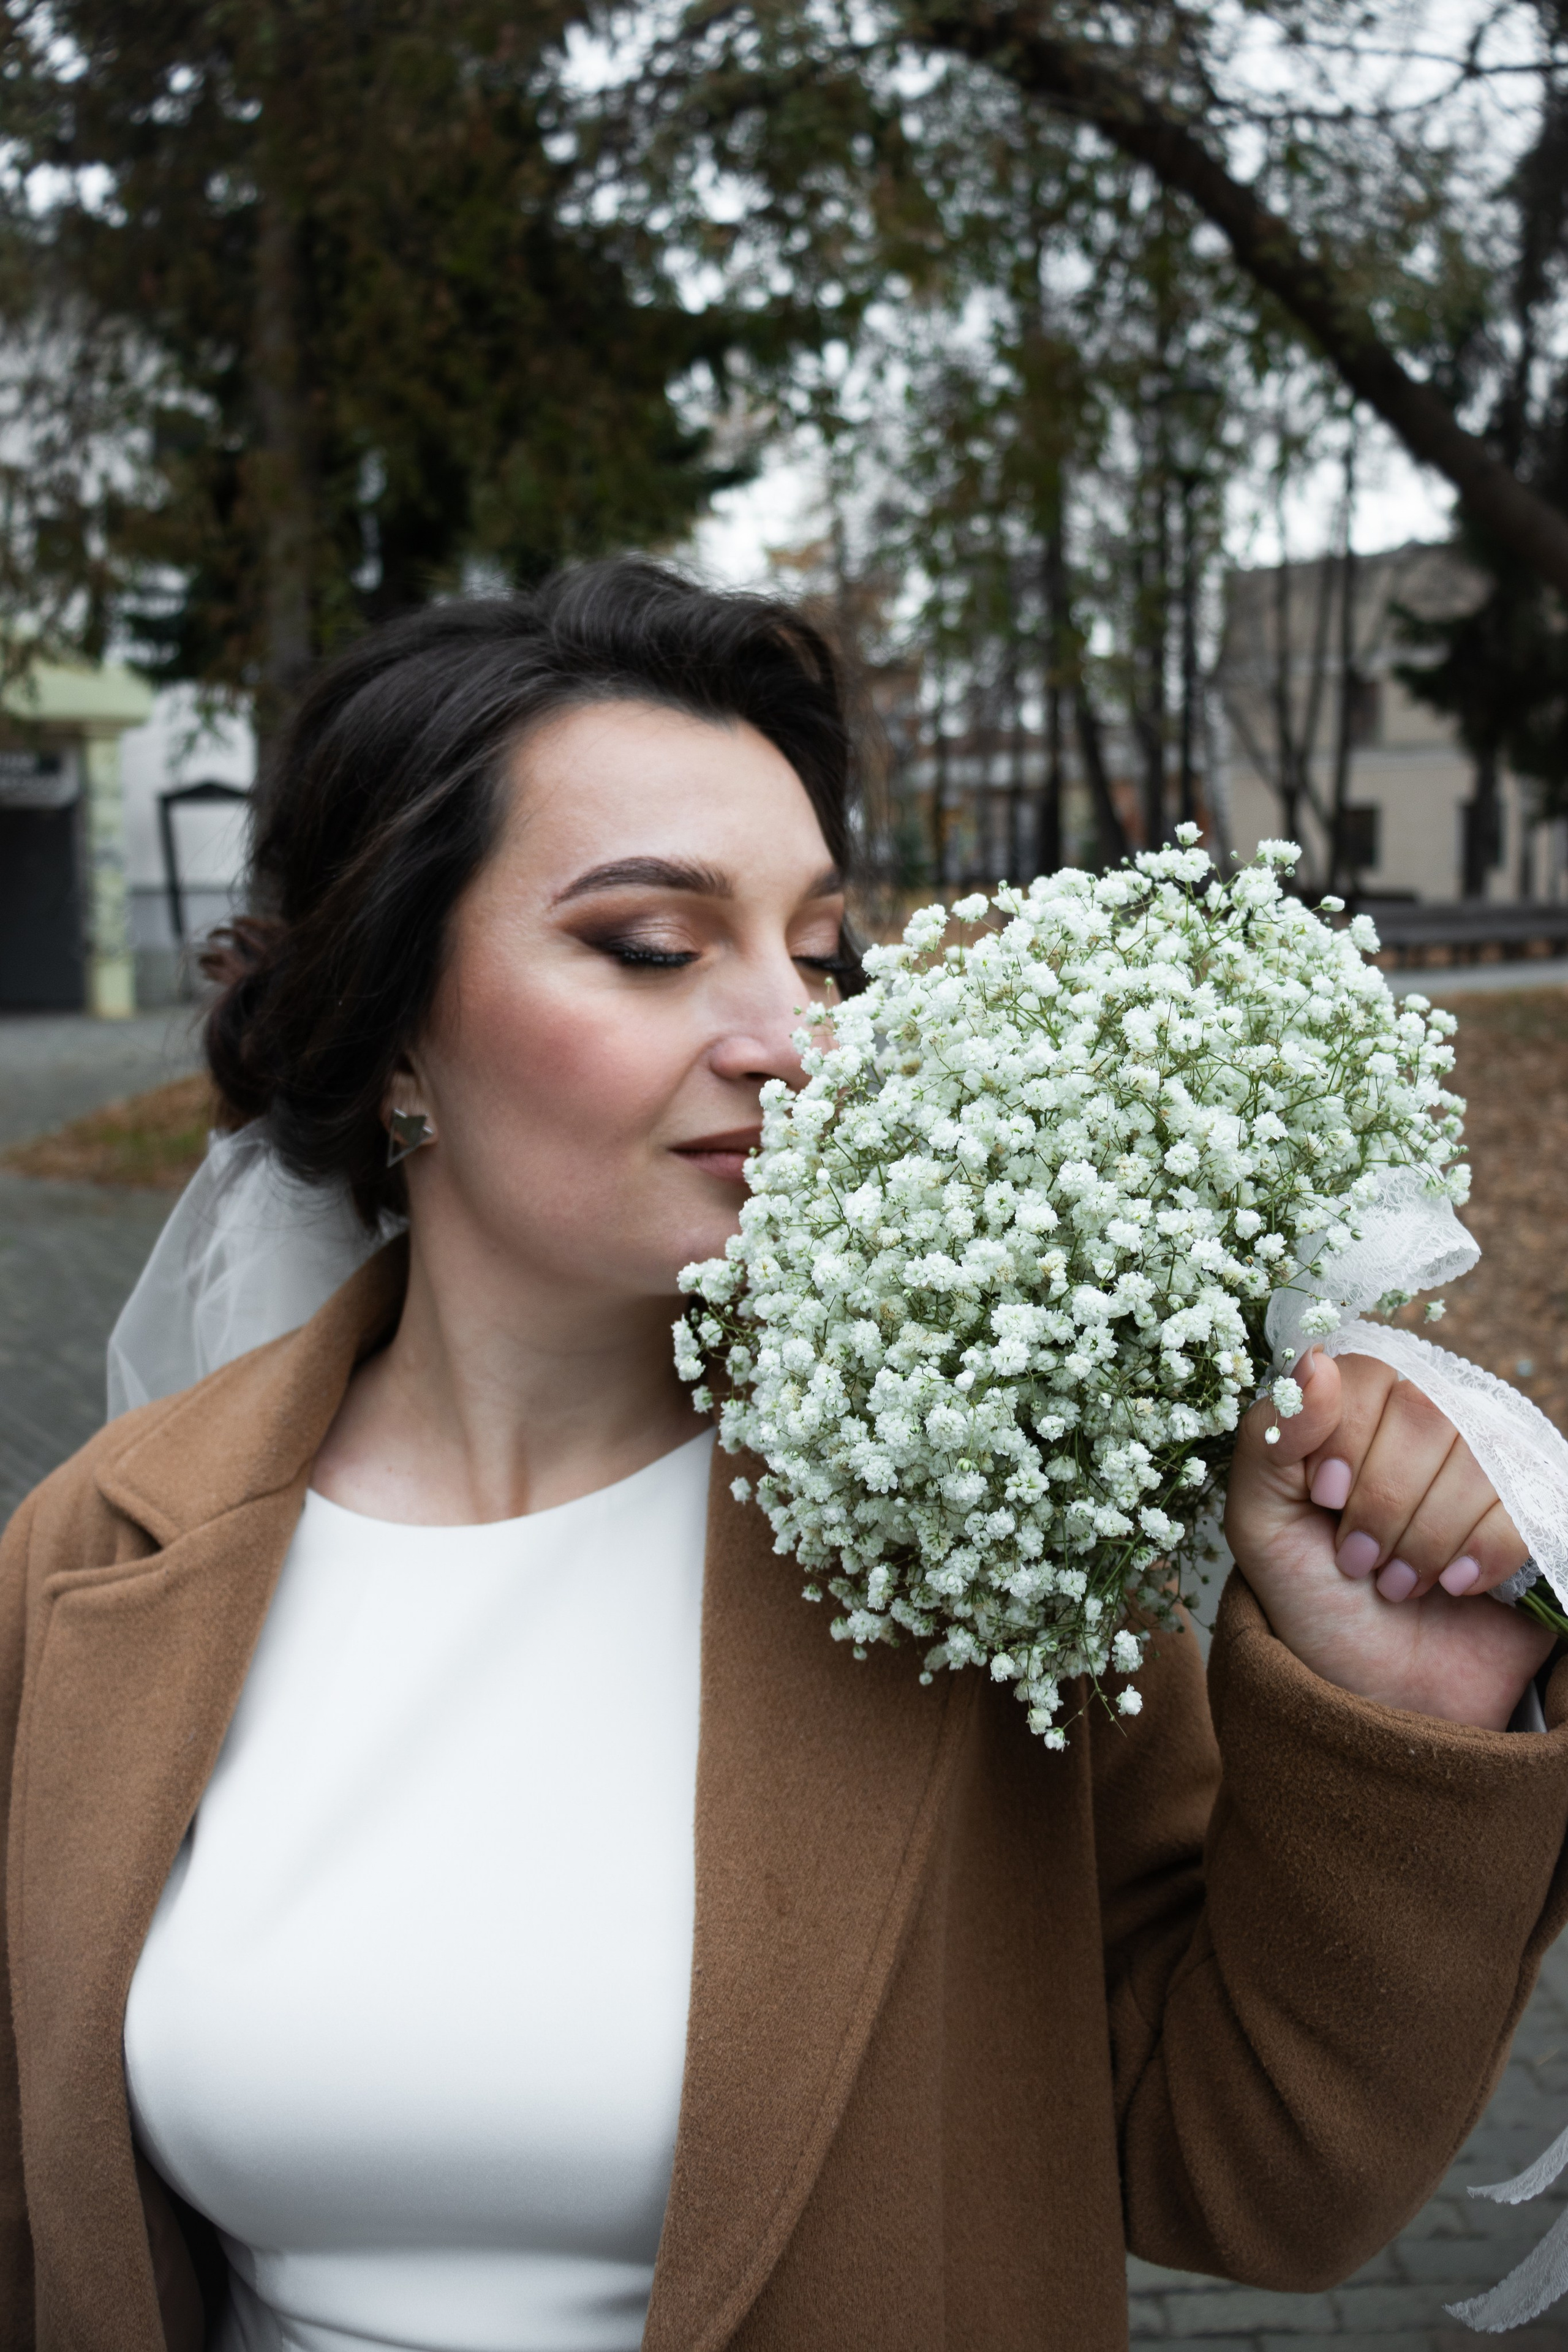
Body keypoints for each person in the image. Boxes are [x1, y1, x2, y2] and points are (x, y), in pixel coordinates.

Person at [2, 559, 1566, 2352]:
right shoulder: (96, 1559)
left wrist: (1394, 1720)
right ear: (394, 1025)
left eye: (820, 950)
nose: (797, 1038)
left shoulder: (973, 1517)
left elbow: (1256, 2178)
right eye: (653, 947)